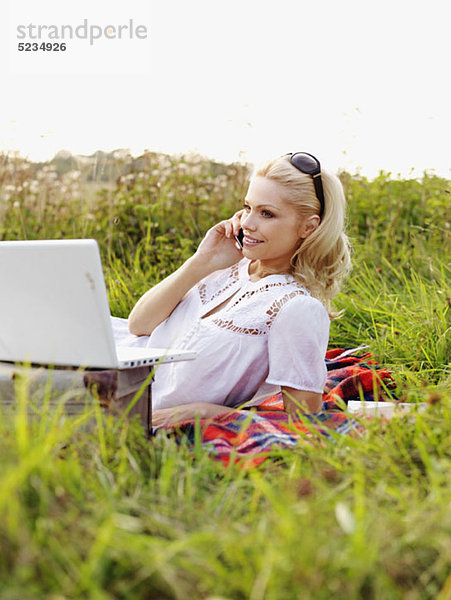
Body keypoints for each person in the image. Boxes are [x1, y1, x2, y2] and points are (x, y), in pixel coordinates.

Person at [112, 152, 351, 427]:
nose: (248, 223)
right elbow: (139, 325)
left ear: (308, 228)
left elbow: (302, 419)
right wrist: (200, 262)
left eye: (267, 213)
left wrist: (204, 412)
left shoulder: (296, 308)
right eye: (247, 207)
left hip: (130, 404)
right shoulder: (226, 266)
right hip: (115, 370)